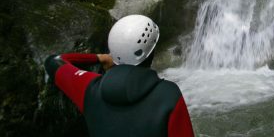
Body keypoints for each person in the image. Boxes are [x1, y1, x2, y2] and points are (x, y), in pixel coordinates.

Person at [44, 15, 194, 137]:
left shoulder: (89, 88)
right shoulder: (168, 95)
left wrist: (99, 58)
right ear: (152, 52)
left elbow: (54, 61)